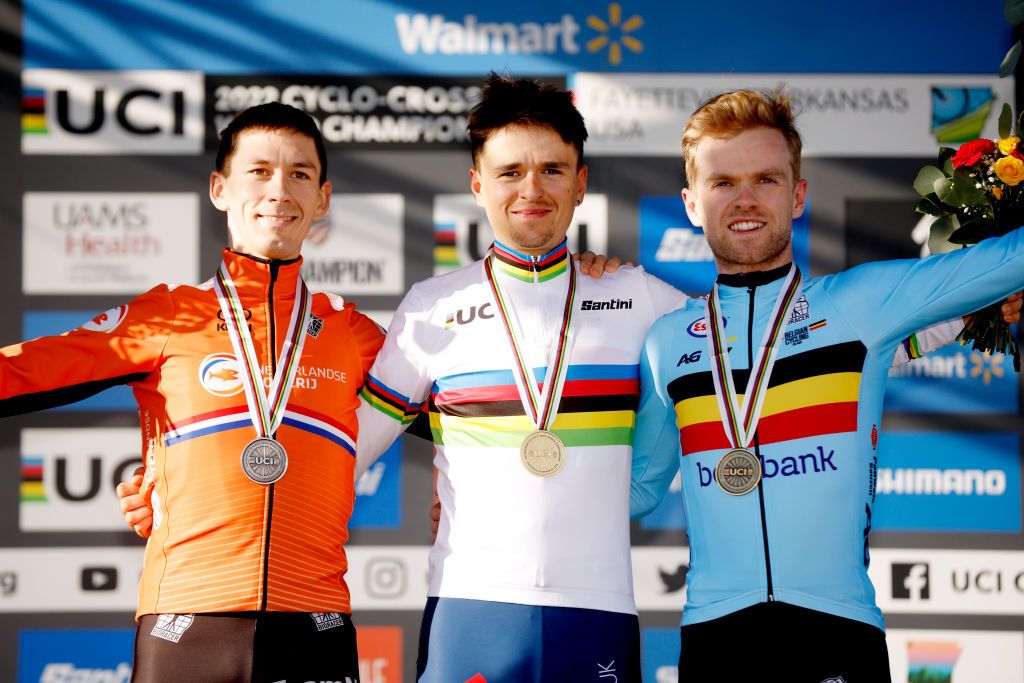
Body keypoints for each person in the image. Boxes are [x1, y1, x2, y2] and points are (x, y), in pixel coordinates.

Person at [629, 88, 1024, 682]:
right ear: (690, 203)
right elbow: (637, 490)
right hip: (714, 640)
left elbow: (1005, 262)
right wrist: (477, 499)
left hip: (836, 631)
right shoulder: (667, 341)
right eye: (722, 182)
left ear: (798, 195)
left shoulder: (860, 305)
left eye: (766, 179)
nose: (745, 200)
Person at [0, 102, 382, 682]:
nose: (279, 190)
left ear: (323, 198)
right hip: (186, 620)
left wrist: (571, 284)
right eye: (258, 171)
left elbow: (476, 400)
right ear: (219, 188)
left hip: (315, 622)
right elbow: (22, 372)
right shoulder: (170, 315)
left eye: (299, 173)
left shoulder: (352, 333)